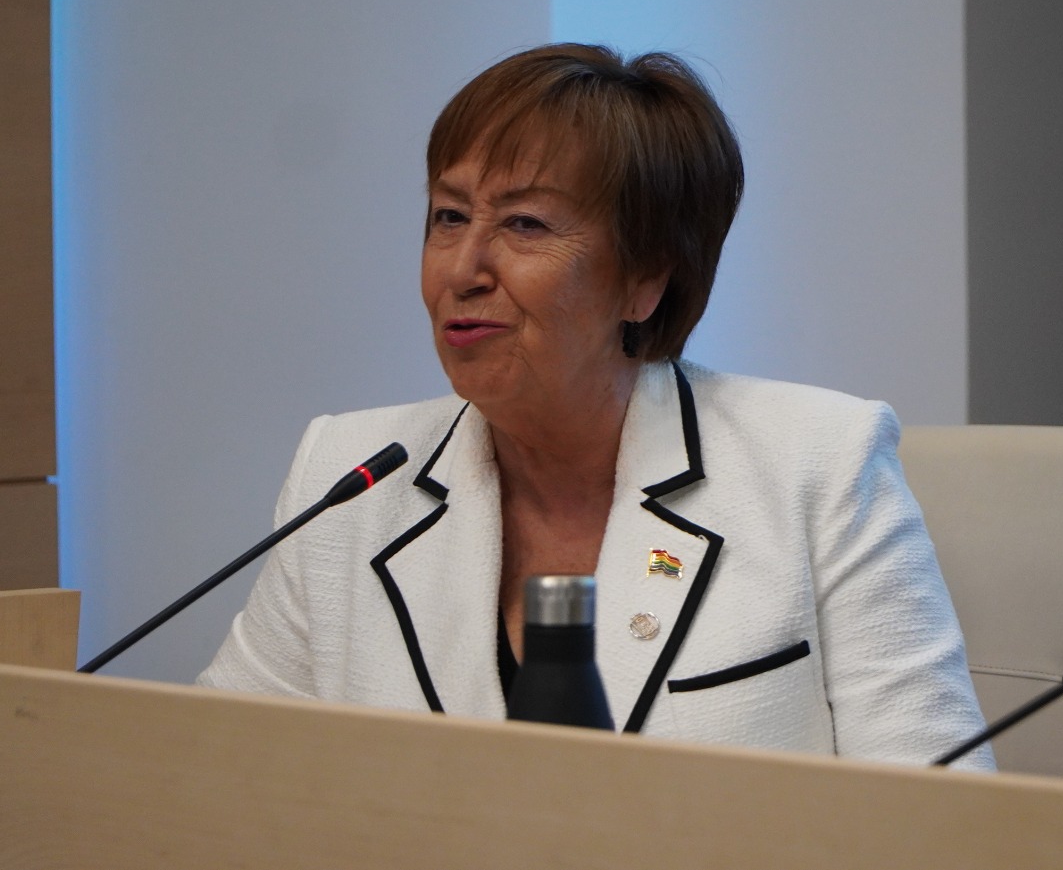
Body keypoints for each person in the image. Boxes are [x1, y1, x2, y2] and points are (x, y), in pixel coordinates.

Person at [199, 43, 993, 769]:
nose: (463, 269)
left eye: (524, 223)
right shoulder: (347, 483)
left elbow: (938, 820)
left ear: (646, 278)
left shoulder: (817, 466)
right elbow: (214, 774)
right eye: (449, 216)